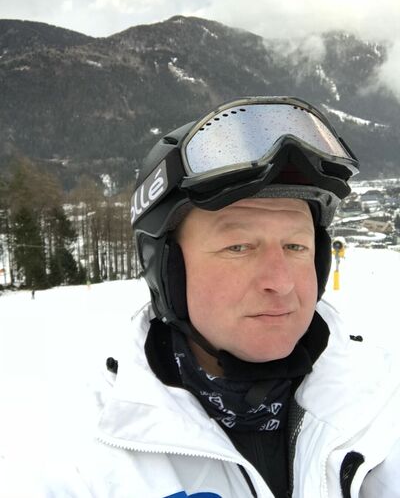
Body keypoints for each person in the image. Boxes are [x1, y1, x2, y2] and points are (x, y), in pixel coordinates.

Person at [30, 97, 400, 497]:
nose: (280, 282)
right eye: (238, 247)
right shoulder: (90, 462)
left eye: (296, 246)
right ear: (167, 270)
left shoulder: (384, 402)